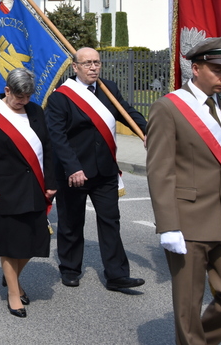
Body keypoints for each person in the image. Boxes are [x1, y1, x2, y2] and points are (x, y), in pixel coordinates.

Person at [146, 37, 221, 344]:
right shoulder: (168, 108)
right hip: (189, 221)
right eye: (218, 69)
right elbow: (160, 171)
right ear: (196, 69)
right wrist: (168, 226)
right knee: (188, 306)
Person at [45, 47, 146, 290]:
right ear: (75, 67)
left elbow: (127, 113)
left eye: (97, 63)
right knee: (71, 222)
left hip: (105, 170)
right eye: (87, 63)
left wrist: (147, 131)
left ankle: (116, 274)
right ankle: (70, 268)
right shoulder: (61, 97)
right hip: (74, 173)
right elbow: (56, 137)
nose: (93, 67)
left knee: (111, 221)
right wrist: (73, 168)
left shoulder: (108, 89)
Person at [0, 68, 57, 318]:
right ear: (7, 90)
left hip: (34, 186)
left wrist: (51, 181)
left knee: (35, 241)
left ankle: (11, 277)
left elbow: (47, 147)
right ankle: (14, 293)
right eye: (18, 97)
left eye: (27, 97)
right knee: (9, 245)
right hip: (4, 190)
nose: (23, 102)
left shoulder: (35, 111)